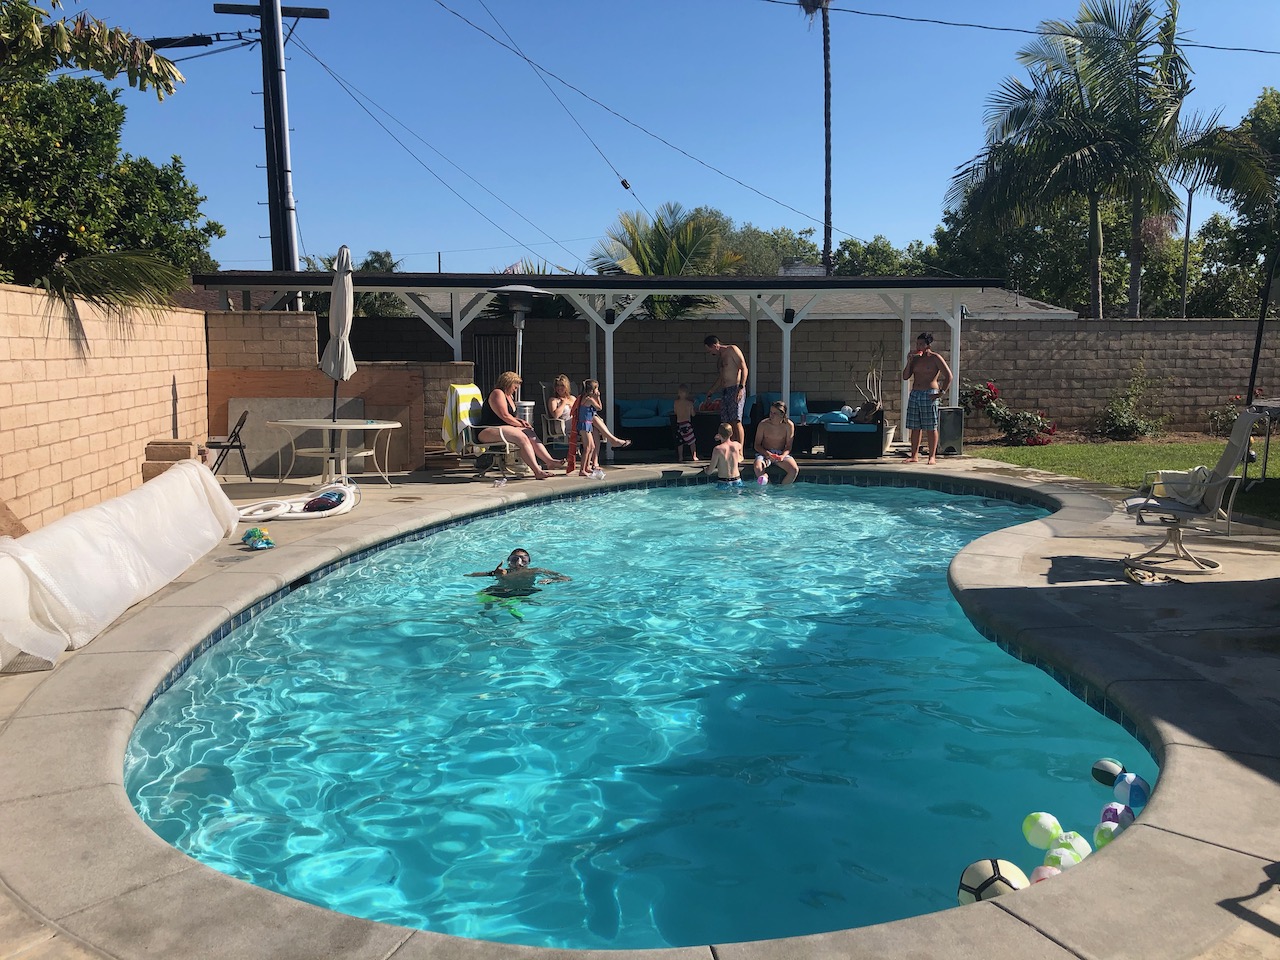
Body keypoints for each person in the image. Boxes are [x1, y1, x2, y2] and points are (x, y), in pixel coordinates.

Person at [478, 371, 564, 480]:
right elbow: (504, 416)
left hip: (501, 428)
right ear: (508, 383)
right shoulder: (497, 393)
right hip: (487, 430)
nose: (515, 390)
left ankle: (549, 461)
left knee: (529, 433)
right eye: (515, 387)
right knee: (521, 437)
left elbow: (510, 416)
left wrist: (521, 422)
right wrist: (519, 423)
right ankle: (537, 471)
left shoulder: (509, 396)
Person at [901, 332, 954, 465]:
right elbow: (905, 376)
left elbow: (949, 376)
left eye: (921, 344)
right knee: (915, 427)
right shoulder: (915, 359)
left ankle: (932, 456)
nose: (918, 346)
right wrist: (909, 361)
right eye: (917, 344)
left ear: (928, 345)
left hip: (929, 393)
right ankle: (914, 455)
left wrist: (941, 392)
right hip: (915, 393)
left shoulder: (935, 358)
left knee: (931, 426)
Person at [547, 374, 631, 449]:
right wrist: (563, 403)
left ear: (566, 386)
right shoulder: (553, 400)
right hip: (565, 426)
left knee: (595, 428)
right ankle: (613, 440)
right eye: (557, 385)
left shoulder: (573, 398)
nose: (559, 388)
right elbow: (555, 415)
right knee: (592, 419)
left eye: (562, 385)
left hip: (578, 423)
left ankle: (595, 460)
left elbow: (582, 410)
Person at [466, 548, 570, 598]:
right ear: (509, 561)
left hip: (527, 592)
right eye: (514, 559)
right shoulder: (503, 572)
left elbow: (566, 578)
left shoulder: (535, 570)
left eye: (523, 559)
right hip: (503, 592)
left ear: (528, 561)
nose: (519, 563)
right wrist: (494, 573)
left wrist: (550, 580)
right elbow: (470, 575)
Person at [703, 335, 748, 446]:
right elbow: (722, 377)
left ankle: (740, 449)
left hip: (735, 388)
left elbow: (744, 368)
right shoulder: (721, 358)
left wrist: (741, 387)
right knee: (727, 422)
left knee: (736, 420)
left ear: (715, 346)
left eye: (710, 350)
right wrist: (712, 390)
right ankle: (730, 447)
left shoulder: (732, 350)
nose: (711, 353)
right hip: (725, 391)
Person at [753, 399, 800, 485]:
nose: (771, 415)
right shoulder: (763, 424)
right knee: (757, 467)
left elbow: (788, 446)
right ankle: (769, 488)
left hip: (780, 453)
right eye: (770, 412)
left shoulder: (789, 425)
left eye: (774, 413)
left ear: (782, 414)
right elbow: (757, 445)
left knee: (794, 470)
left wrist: (782, 456)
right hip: (765, 453)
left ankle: (782, 490)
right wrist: (768, 454)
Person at [702, 424, 744, 489]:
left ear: (719, 434)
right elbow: (740, 457)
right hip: (737, 480)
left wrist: (705, 469)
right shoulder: (737, 445)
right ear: (731, 433)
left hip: (724, 482)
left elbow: (710, 471)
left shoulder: (717, 449)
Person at [576, 379, 603, 476]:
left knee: (592, 446)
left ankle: (587, 467)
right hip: (584, 425)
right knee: (587, 447)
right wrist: (598, 397)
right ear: (593, 390)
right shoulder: (589, 400)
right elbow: (599, 408)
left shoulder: (584, 398)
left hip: (587, 424)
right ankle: (582, 470)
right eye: (597, 389)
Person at [673, 384, 699, 463]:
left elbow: (675, 412)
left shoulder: (676, 403)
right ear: (687, 394)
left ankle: (680, 457)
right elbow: (693, 414)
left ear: (678, 393)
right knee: (692, 441)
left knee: (680, 442)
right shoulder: (689, 403)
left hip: (679, 424)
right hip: (687, 424)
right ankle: (694, 456)